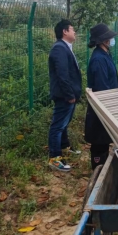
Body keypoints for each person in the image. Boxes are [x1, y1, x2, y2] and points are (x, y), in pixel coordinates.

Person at [47, 19, 82, 172]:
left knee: (64, 123)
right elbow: (62, 75)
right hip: (64, 95)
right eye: (72, 29)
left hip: (68, 94)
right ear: (65, 31)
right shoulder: (59, 49)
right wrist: (69, 94)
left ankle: (65, 147)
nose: (74, 32)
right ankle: (54, 158)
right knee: (58, 126)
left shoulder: (65, 47)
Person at [85, 23, 118, 169]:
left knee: (104, 139)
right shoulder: (99, 59)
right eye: (110, 38)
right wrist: (109, 105)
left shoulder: (105, 55)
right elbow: (101, 87)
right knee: (99, 140)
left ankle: (102, 167)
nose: (112, 40)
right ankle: (98, 171)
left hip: (107, 103)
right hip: (102, 105)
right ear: (104, 40)